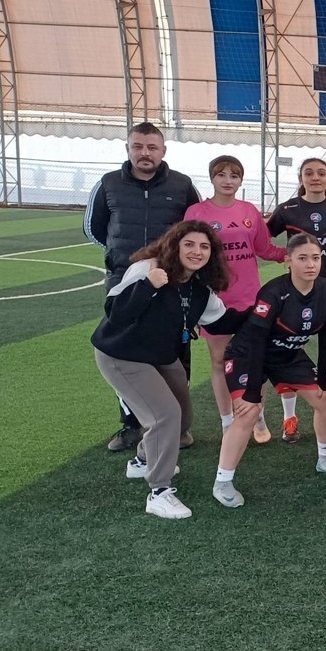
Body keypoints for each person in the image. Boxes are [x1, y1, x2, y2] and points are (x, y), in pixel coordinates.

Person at [90, 221, 245, 519]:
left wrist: (264, 312)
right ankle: (158, 492)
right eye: (189, 244)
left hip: (160, 355)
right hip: (121, 354)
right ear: (174, 245)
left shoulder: (199, 290)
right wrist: (149, 285)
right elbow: (117, 314)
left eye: (204, 246)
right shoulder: (147, 269)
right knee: (165, 416)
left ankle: (143, 460)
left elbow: (222, 322)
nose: (197, 251)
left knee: (182, 416)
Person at [84, 121, 201, 452]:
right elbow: (93, 228)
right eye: (138, 146)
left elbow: (194, 227)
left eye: (151, 147)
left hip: (171, 282)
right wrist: (123, 258)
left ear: (163, 151)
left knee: (175, 352)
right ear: (128, 149)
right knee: (122, 349)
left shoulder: (182, 185)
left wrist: (173, 262)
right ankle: (131, 425)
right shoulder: (108, 183)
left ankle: (177, 427)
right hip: (125, 280)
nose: (144, 153)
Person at [212, 234, 326, 507]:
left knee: (325, 399)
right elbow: (257, 340)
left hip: (288, 354)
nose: (311, 264)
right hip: (248, 354)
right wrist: (252, 392)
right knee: (248, 412)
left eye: (316, 258)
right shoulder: (273, 292)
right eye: (302, 258)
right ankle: (222, 482)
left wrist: (323, 375)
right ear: (288, 261)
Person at [184, 155, 286, 443]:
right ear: (212, 178)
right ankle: (227, 422)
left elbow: (264, 248)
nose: (228, 181)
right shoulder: (196, 212)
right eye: (222, 174)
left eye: (234, 175)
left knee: (254, 359)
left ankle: (256, 415)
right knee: (219, 361)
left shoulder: (249, 210)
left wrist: (290, 255)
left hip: (250, 297)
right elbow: (186, 251)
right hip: (213, 299)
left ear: (241, 180)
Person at [267, 158, 326, 440]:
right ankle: (289, 417)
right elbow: (263, 237)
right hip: (297, 292)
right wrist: (287, 258)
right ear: (301, 178)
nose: (315, 177)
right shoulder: (287, 209)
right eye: (309, 173)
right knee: (290, 350)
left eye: (321, 173)